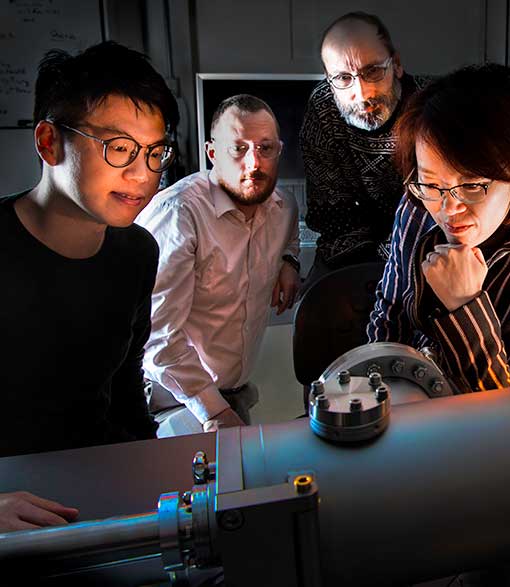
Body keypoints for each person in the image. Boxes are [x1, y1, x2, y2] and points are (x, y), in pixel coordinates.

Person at [0, 41, 179, 529]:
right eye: (119, 148)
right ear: (49, 142)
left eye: (156, 152)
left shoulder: (137, 252)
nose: (143, 175)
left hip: (97, 491)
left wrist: (155, 473)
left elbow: (125, 396)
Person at [367, 64, 510, 393]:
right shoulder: (417, 207)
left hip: (480, 436)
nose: (448, 209)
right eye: (432, 184)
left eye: (472, 185)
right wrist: (376, 393)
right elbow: (390, 312)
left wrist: (464, 305)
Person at [136, 94, 300, 434]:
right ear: (212, 153)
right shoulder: (179, 215)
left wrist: (289, 261)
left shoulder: (283, 207)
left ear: (279, 151)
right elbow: (157, 336)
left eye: (265, 148)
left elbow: (291, 237)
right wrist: (213, 411)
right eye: (238, 149)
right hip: (171, 400)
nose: (254, 163)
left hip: (233, 393)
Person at [299, 12, 427, 282]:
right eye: (344, 78)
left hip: (423, 242)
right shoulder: (323, 110)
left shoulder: (430, 108)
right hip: (352, 244)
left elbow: (440, 206)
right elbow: (331, 214)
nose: (362, 93)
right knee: (318, 307)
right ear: (328, 78)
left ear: (397, 64)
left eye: (373, 71)